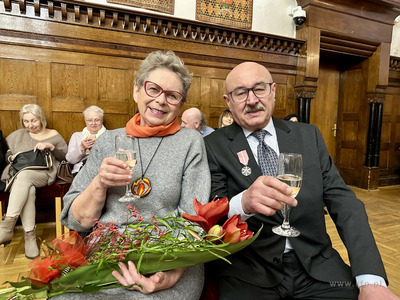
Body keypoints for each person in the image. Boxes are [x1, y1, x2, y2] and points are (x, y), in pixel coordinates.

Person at [204, 62, 399, 300]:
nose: (252, 100)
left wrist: (370, 279)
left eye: (259, 89)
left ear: (273, 91)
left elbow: (344, 203)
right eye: (241, 93)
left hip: (318, 269)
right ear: (228, 101)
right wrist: (243, 203)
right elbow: (211, 214)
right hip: (249, 272)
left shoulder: (309, 136)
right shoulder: (214, 146)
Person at [57, 50, 211, 299]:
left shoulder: (190, 142)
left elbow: (194, 219)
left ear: (181, 104)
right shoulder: (108, 141)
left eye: (172, 96)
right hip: (107, 253)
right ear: (136, 91)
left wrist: (168, 273)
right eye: (153, 89)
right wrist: (99, 183)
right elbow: (75, 221)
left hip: (168, 254)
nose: (161, 100)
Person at [0, 104, 67, 259]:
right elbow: (6, 151)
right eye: (26, 121)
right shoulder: (18, 135)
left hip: (45, 173)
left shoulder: (53, 134)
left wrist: (51, 146)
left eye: (34, 121)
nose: (30, 125)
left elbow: (64, 156)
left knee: (25, 177)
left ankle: (7, 224)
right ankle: (30, 236)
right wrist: (10, 157)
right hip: (21, 176)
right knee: (27, 186)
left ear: (41, 119)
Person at [66, 105, 106, 175]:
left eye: (97, 120)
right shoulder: (77, 136)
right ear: (85, 121)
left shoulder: (108, 135)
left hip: (102, 170)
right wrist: (81, 148)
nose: (93, 123)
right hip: (81, 171)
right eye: (90, 120)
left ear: (102, 120)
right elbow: (70, 160)